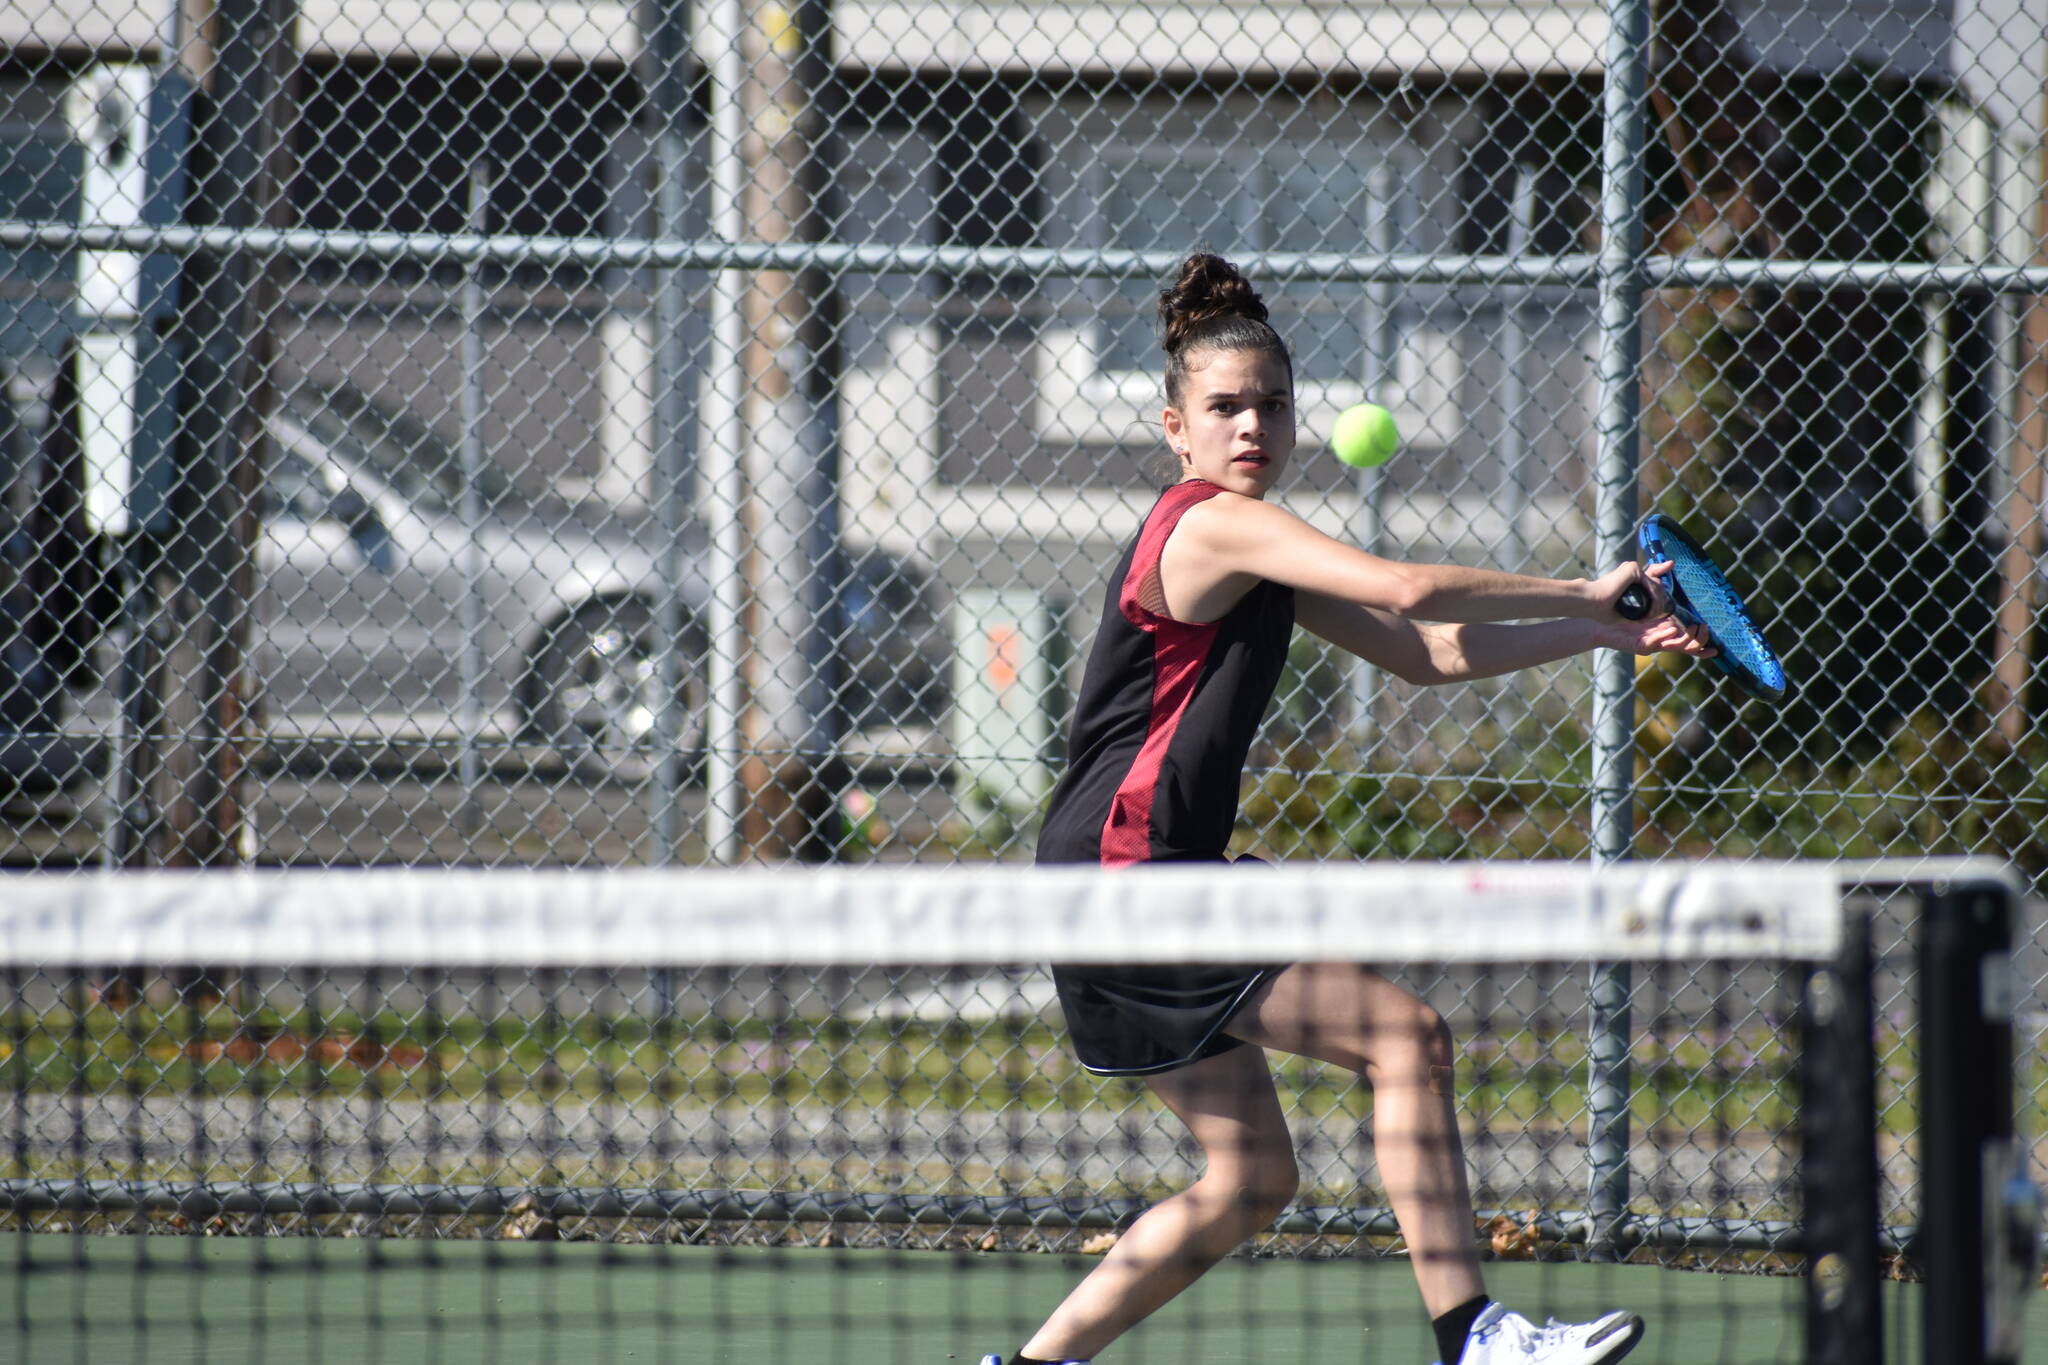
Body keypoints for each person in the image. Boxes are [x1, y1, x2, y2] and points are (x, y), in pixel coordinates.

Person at [980, 252, 1715, 1365]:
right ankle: (1476, 1337)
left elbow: (1426, 651)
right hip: (1126, 887)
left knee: (1248, 1180)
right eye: (1222, 408)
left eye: (1269, 406)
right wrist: (1584, 585)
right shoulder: (1206, 526)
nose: (1250, 428)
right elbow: (1407, 587)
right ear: (1174, 429)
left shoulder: (1261, 546)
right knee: (1403, 1037)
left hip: (1122, 881)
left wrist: (1607, 631)